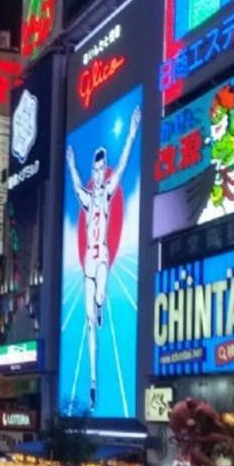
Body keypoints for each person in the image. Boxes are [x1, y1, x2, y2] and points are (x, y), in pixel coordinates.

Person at [65, 104, 141, 410]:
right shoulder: (86, 195)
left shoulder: (108, 191)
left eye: (100, 168)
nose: (98, 173)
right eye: (95, 169)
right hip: (86, 264)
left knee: (98, 296)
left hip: (101, 258)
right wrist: (71, 162)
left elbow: (123, 163)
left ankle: (100, 305)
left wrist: (133, 128)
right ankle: (93, 381)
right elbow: (72, 181)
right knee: (88, 324)